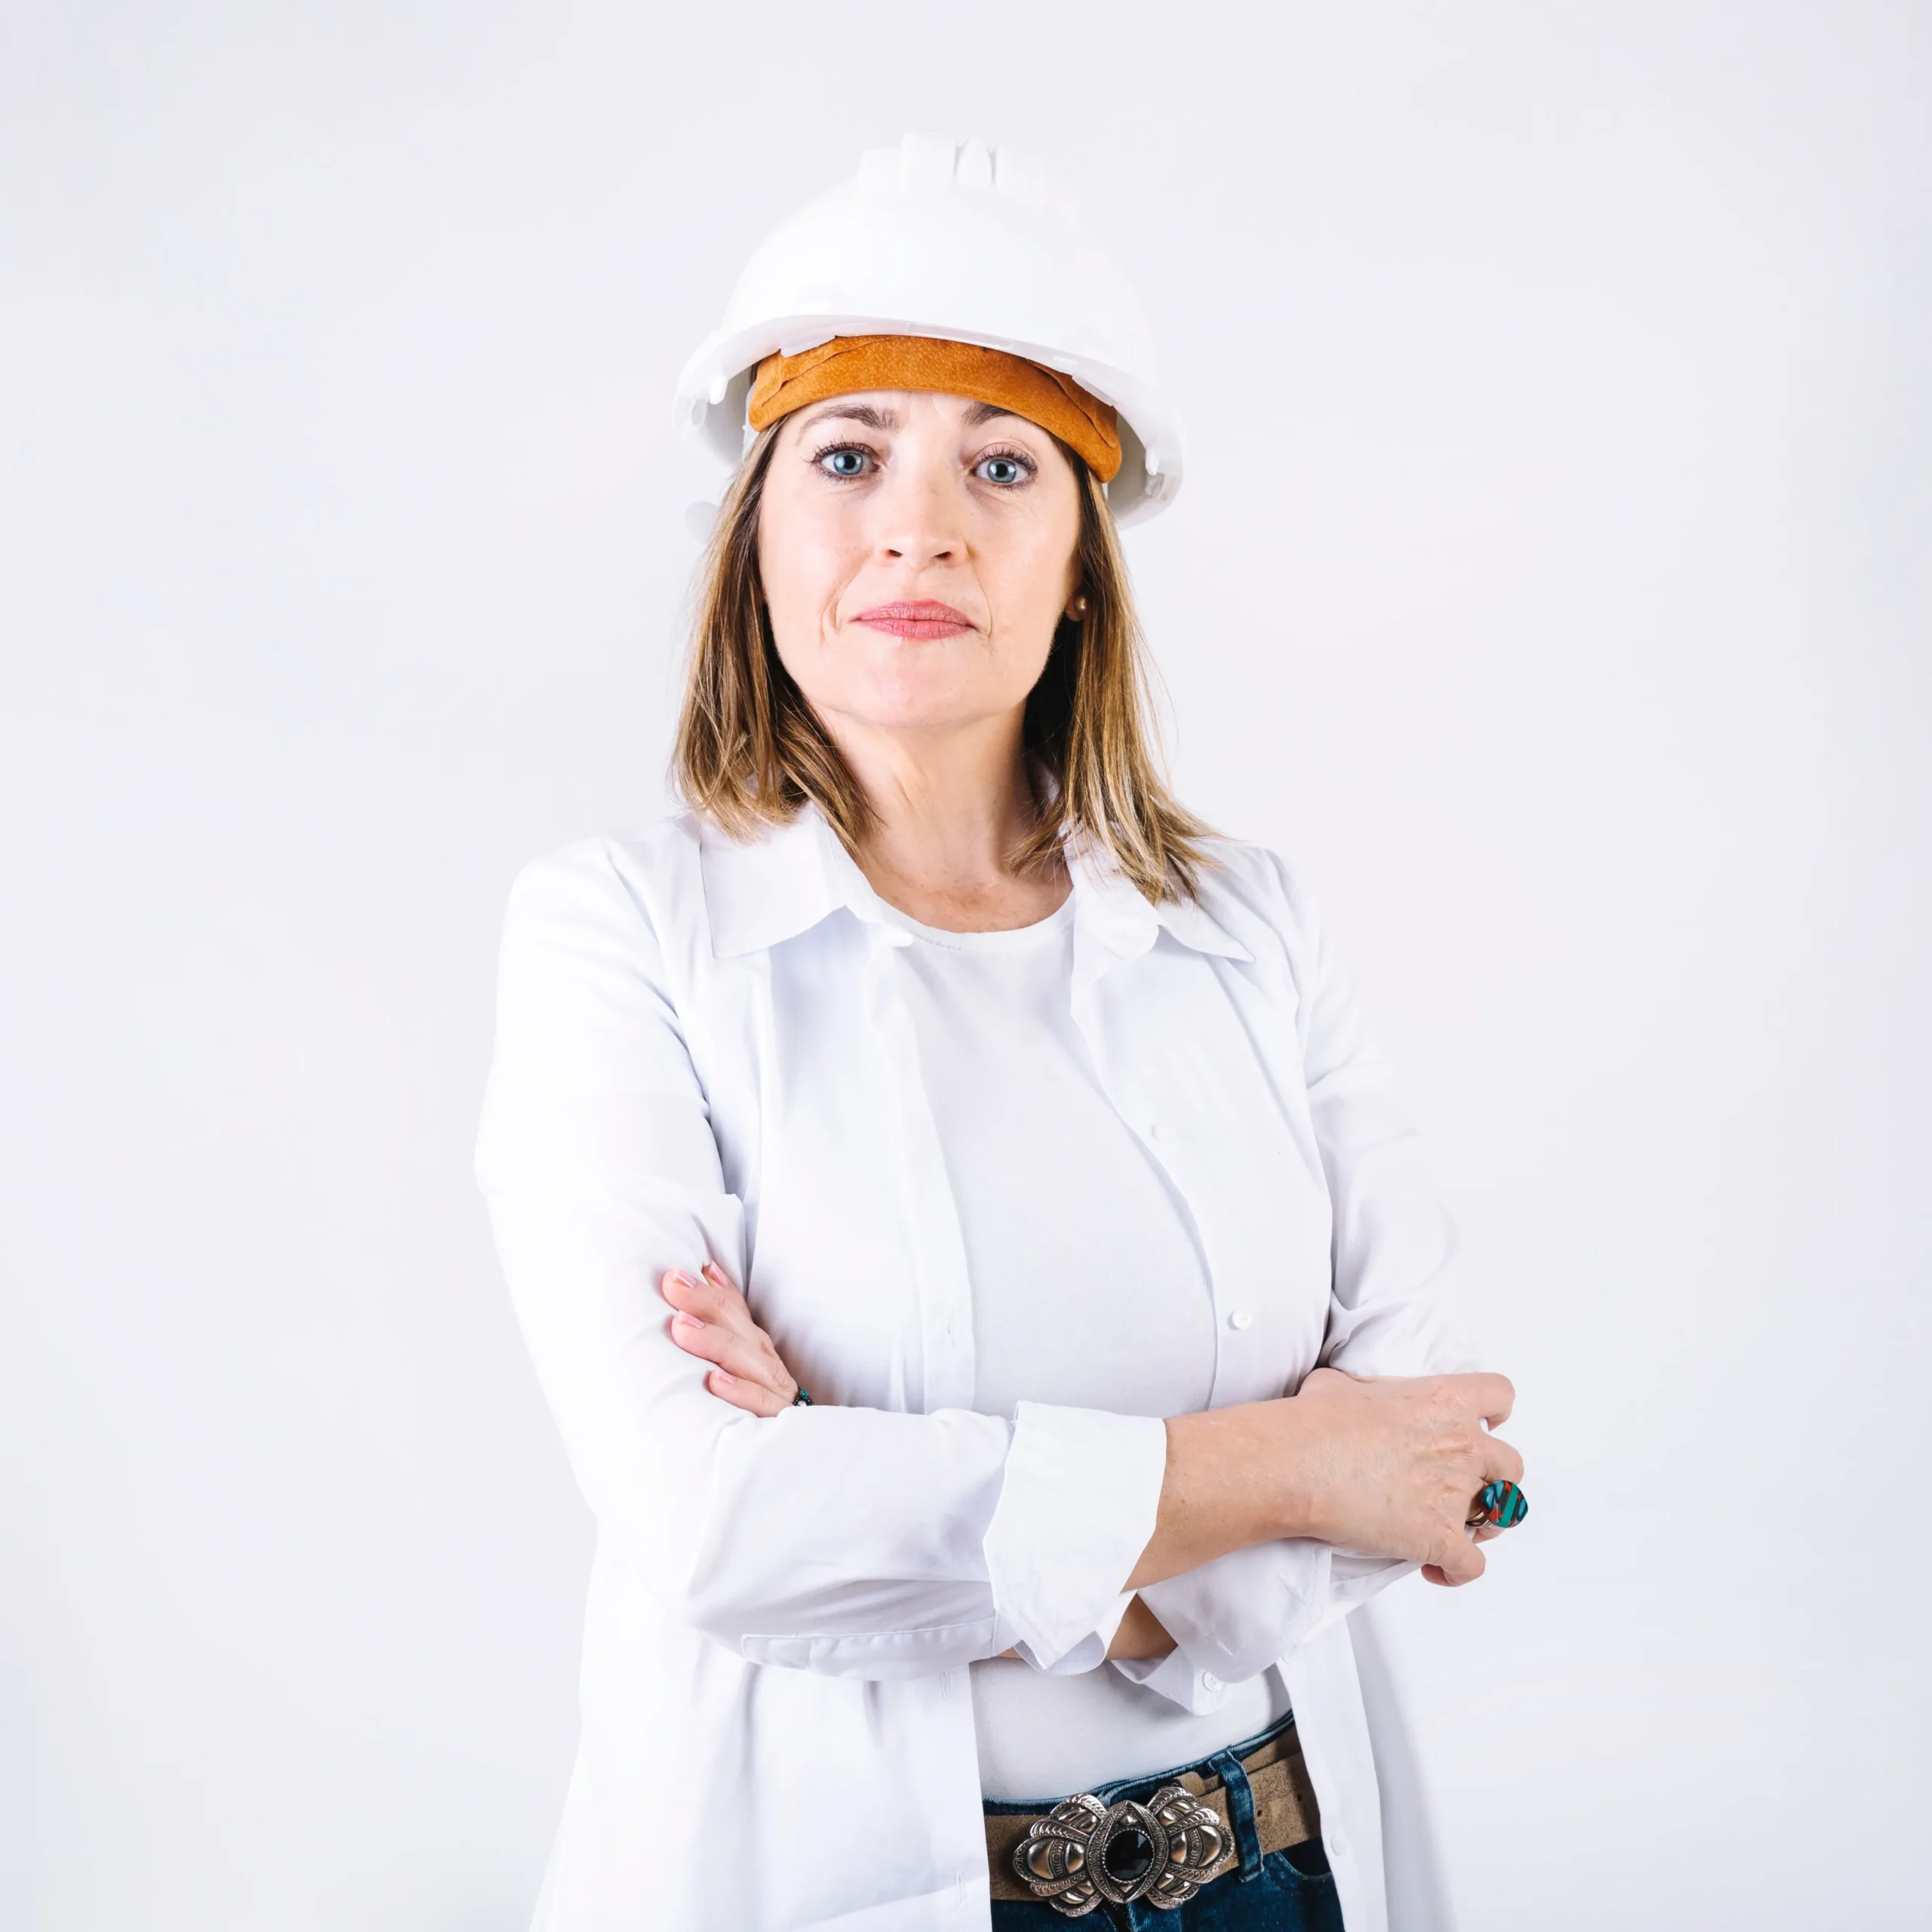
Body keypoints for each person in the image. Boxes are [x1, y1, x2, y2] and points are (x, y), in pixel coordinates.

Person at [475, 134, 1525, 1932]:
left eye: (1001, 463)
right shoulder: (619, 935)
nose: (918, 524)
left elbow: (1430, 1455)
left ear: (1079, 563)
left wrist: (887, 1493)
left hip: (1273, 1875)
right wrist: (1287, 1466)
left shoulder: (1250, 925)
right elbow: (714, 1524)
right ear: (755, 532)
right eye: (846, 454)